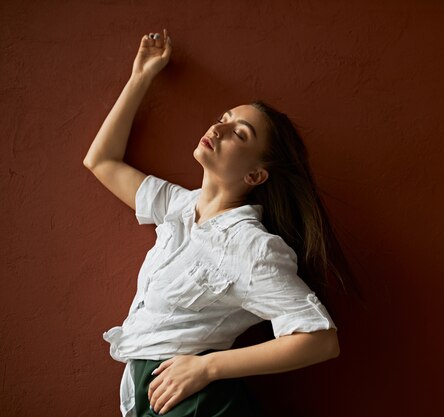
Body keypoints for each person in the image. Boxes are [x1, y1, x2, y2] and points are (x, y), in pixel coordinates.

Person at [83, 29, 353, 417]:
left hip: (198, 404)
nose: (219, 129)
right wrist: (140, 77)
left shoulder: (250, 245)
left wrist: (206, 366)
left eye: (239, 134)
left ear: (256, 176)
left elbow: (321, 340)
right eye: (224, 119)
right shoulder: (177, 206)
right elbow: (102, 161)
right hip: (147, 394)